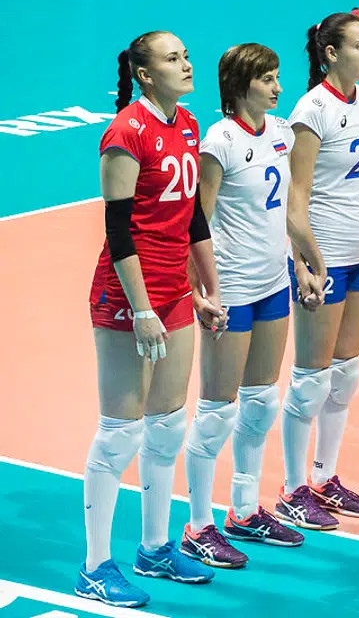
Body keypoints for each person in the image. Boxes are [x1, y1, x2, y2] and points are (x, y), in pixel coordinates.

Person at [76, 32, 226, 608]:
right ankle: (93, 565)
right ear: (142, 73)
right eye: (172, 58)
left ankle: (155, 547)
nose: (186, 64)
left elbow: (190, 220)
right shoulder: (125, 133)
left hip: (174, 294)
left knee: (167, 427)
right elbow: (118, 230)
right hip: (126, 297)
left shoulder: (186, 125)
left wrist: (206, 288)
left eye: (187, 56)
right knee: (120, 433)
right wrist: (140, 308)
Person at [183, 45, 307, 570]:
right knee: (217, 413)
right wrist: (201, 292)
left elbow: (285, 211)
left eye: (278, 78)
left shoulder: (280, 133)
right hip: (230, 288)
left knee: (261, 403)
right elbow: (197, 221)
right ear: (239, 86)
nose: (277, 87)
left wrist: (300, 264)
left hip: (272, 283)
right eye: (267, 79)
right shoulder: (220, 142)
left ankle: (243, 509)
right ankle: (197, 526)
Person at [279, 14, 359, 528]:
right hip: (324, 255)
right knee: (310, 379)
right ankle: (291, 487)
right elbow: (295, 199)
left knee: (345, 374)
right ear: (330, 53)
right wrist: (307, 260)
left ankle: (325, 477)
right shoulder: (312, 110)